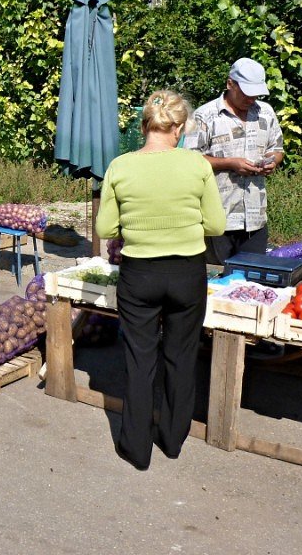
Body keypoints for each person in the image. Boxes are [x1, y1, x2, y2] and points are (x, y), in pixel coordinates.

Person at [95, 90, 226, 470]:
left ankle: (136, 448)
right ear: (180, 127)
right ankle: (171, 439)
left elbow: (105, 227)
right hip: (187, 272)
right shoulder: (197, 164)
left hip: (139, 273)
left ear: (143, 126)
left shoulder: (120, 167)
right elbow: (216, 224)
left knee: (140, 360)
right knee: (181, 357)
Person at [185, 57, 285, 266]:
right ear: (230, 84)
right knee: (216, 277)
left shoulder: (265, 112)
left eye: (256, 93)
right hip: (218, 216)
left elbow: (277, 149)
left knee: (253, 281)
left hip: (255, 215)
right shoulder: (206, 115)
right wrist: (229, 163)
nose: (252, 98)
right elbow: (190, 160)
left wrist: (272, 162)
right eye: (246, 92)